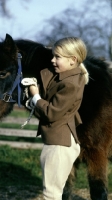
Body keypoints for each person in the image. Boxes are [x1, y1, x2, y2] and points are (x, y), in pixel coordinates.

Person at [29, 37, 89, 200]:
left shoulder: (70, 84)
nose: (52, 60)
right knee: (53, 193)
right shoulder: (70, 77)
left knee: (51, 195)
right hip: (61, 140)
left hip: (59, 145)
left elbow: (51, 113)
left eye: (57, 57)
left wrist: (35, 96)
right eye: (53, 56)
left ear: (73, 60)